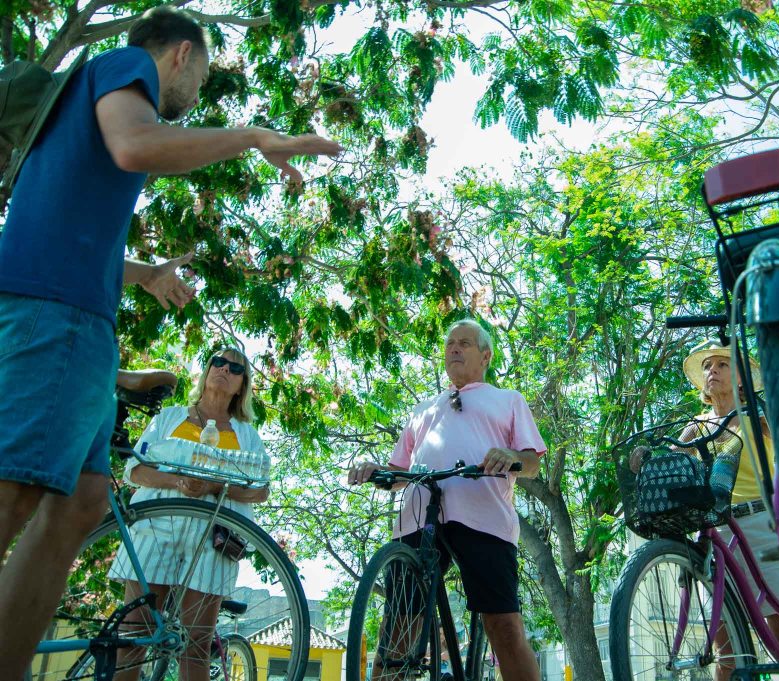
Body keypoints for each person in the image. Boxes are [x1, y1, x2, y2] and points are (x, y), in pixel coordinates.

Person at [0, 5, 339, 677]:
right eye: (203, 74)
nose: (196, 93)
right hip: (57, 316)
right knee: (12, 495)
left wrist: (143, 273)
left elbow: (72, 222)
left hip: (80, 319)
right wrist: (250, 136)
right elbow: (137, 146)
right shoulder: (124, 69)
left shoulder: (81, 107)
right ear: (181, 55)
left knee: (83, 504)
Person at [348, 320, 546, 681]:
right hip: (417, 519)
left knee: (503, 626)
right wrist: (376, 471)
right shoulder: (422, 409)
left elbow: (531, 462)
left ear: (485, 356)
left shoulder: (507, 400)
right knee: (398, 625)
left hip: (483, 517)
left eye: (464, 343)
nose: (453, 348)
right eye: (450, 343)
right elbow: (398, 471)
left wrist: (510, 455)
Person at [630, 341, 779, 680]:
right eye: (709, 366)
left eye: (723, 365)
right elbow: (673, 459)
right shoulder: (697, 425)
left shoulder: (755, 413)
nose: (713, 371)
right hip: (716, 531)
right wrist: (647, 457)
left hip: (759, 523)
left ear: (740, 377)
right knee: (726, 652)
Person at [108, 347, 268, 680]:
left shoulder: (248, 436)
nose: (224, 369)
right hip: (156, 525)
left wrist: (212, 487)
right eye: (218, 362)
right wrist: (178, 482)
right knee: (134, 633)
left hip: (213, 536)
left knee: (196, 642)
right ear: (206, 370)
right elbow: (135, 471)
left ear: (243, 385)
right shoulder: (169, 417)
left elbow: (260, 489)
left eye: (235, 368)